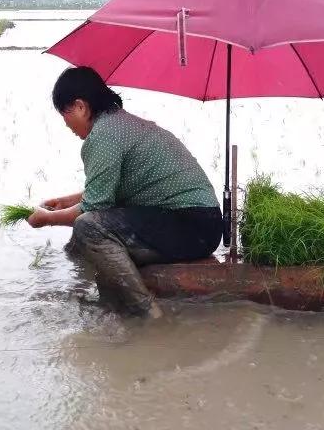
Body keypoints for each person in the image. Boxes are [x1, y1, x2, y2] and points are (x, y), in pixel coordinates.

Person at [27, 66, 222, 318]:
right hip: (196, 223)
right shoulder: (117, 124)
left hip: (191, 227)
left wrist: (47, 219)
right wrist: (65, 202)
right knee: (78, 242)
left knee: (87, 227)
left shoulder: (104, 135)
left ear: (80, 106)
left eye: (65, 116)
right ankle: (84, 292)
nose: (67, 126)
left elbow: (92, 208)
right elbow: (108, 188)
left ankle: (145, 310)